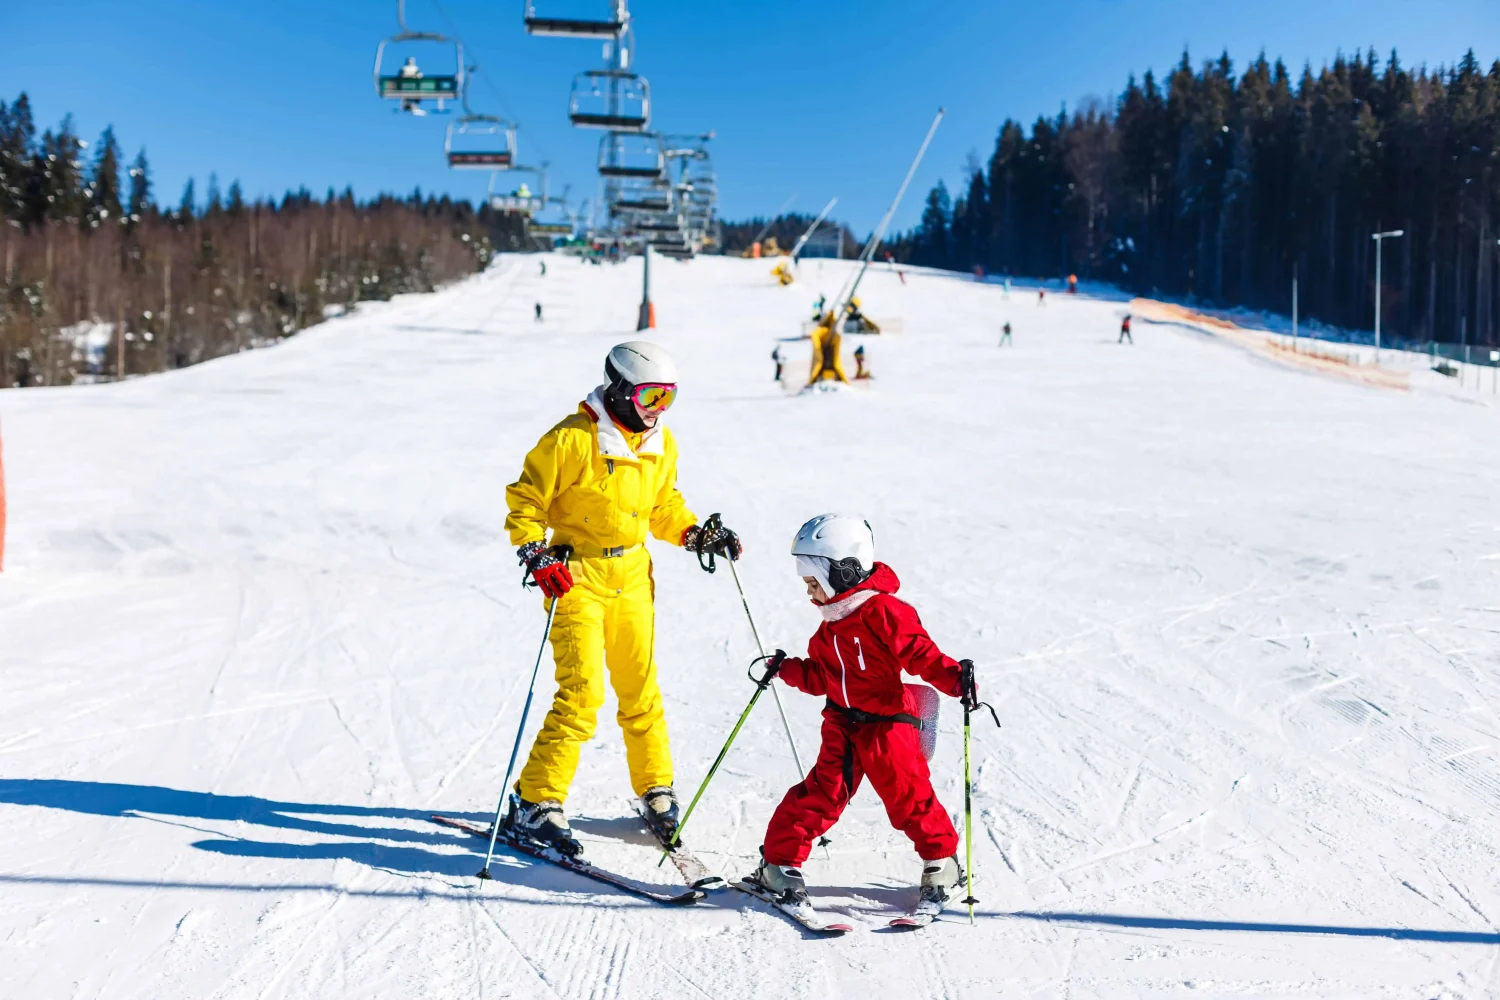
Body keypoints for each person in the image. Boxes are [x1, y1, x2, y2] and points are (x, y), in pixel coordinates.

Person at [503, 341, 744, 856]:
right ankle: (533, 802)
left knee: (641, 688)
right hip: (577, 576)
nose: (658, 410)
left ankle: (655, 788)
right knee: (582, 695)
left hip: (632, 574)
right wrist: (535, 553)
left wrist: (694, 534)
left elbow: (663, 506)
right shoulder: (571, 440)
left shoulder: (660, 443)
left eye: (668, 399)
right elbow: (525, 501)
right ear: (618, 389)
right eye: (651, 396)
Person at [745, 514, 975, 914]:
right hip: (842, 723)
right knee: (820, 794)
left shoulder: (886, 612)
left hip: (888, 722)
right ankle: (778, 865)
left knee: (909, 794)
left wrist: (956, 680)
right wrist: (786, 669)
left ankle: (943, 864)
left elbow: (921, 655)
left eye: (814, 584)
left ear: (844, 573)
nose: (810, 594)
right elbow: (821, 676)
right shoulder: (828, 629)